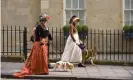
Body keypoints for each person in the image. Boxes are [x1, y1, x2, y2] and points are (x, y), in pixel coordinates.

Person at [13, 13, 51, 78]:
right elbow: (43, 35)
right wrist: (47, 31)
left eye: (45, 21)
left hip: (41, 44)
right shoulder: (39, 27)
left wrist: (48, 36)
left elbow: (44, 35)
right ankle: (38, 70)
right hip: (39, 44)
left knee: (42, 58)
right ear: (41, 21)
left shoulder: (41, 27)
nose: (44, 22)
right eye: (44, 21)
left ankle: (42, 70)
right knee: (38, 58)